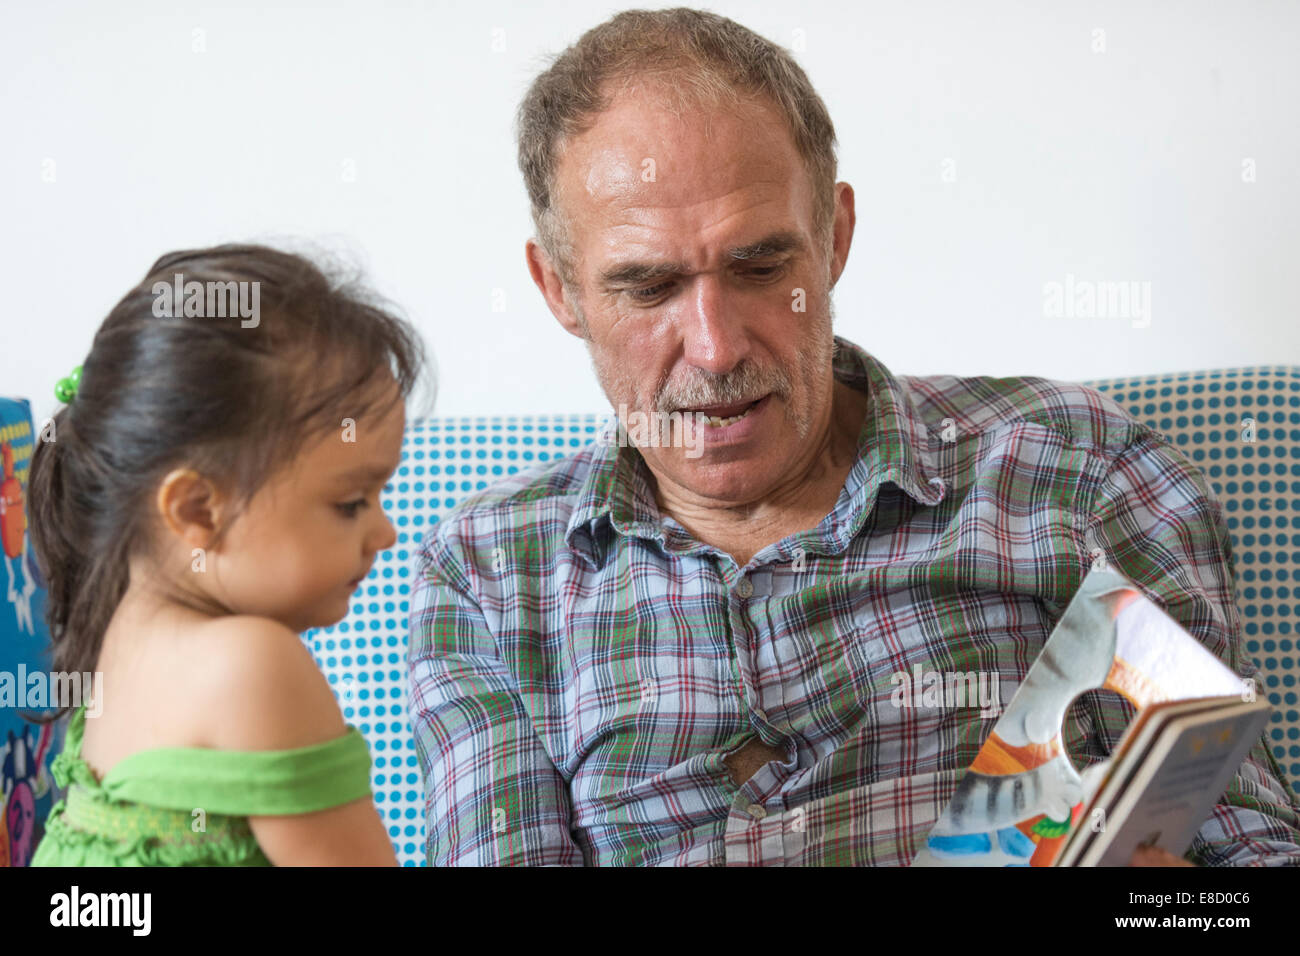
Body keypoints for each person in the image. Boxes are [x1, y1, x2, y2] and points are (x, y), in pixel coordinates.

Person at [408, 8, 1300, 865]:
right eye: (647, 288)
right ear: (558, 287)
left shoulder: (1078, 469)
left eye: (762, 266)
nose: (717, 349)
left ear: (833, 238)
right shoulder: (490, 574)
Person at [27, 244, 425, 865]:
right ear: (196, 511)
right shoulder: (250, 665)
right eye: (351, 502)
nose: (386, 533)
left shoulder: (117, 651)